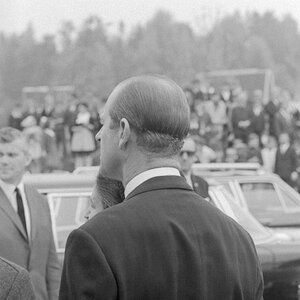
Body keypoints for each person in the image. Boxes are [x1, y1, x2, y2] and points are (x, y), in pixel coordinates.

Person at [59, 75, 264, 300]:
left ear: (124, 131)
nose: (98, 136)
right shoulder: (239, 240)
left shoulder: (96, 239)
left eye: (103, 124)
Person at [0, 127, 61, 300]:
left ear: (27, 159)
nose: (4, 161)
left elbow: (51, 264)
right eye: (0, 154)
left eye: (11, 155)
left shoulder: (40, 201)